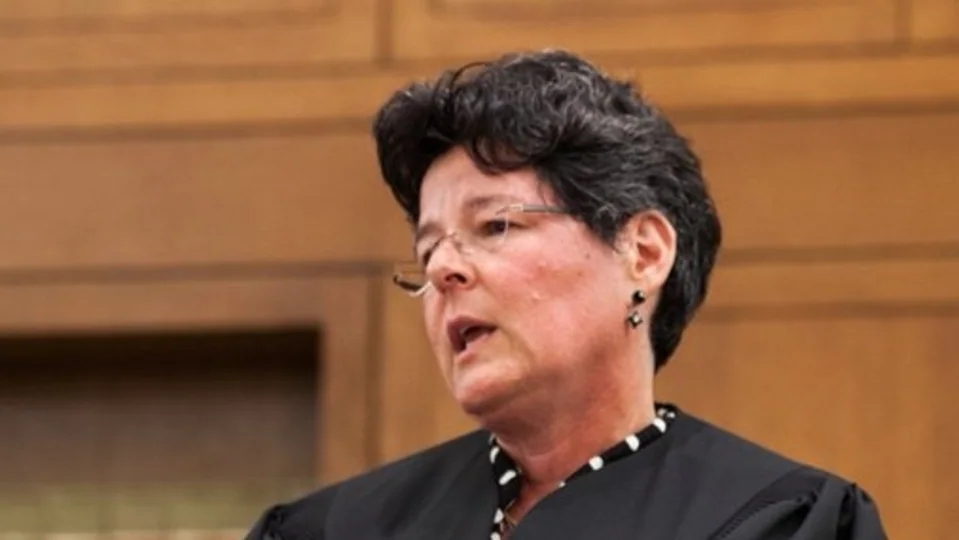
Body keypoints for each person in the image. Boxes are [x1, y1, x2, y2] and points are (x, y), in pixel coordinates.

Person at [244, 49, 887, 539]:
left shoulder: (780, 521)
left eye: (495, 225)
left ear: (643, 253)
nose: (443, 271)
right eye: (428, 250)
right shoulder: (336, 529)